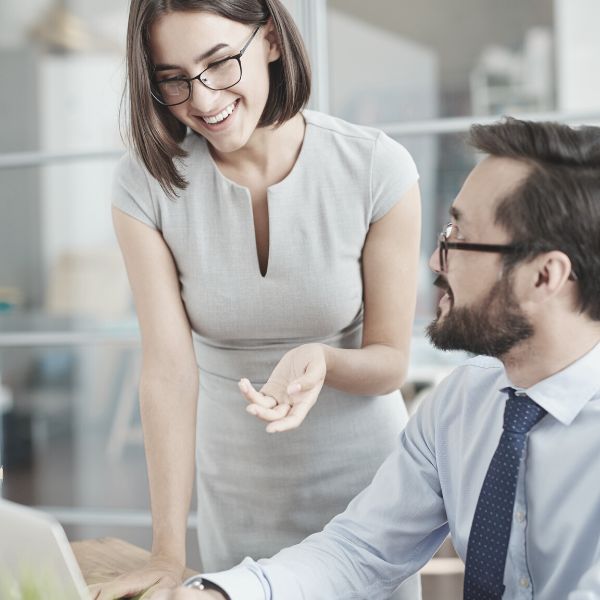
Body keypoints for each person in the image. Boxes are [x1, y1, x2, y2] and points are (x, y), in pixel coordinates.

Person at [155, 117, 600, 600]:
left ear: (544, 276)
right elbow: (361, 550)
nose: (436, 261)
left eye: (459, 238)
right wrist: (222, 595)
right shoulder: (462, 405)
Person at [90, 1, 422, 599]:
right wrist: (168, 553)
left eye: (219, 63)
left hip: (368, 502)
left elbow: (391, 361)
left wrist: (325, 359)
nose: (203, 98)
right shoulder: (145, 183)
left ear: (270, 40)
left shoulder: (376, 167)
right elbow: (168, 371)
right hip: (237, 500)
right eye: (172, 78)